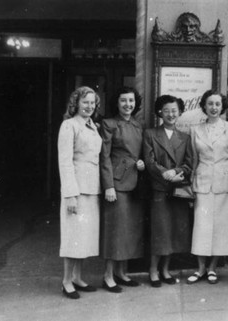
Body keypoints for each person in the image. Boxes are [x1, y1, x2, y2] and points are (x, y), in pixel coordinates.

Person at [186, 90, 228, 285]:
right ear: (204, 106)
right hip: (202, 182)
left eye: (217, 104)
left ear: (222, 106)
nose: (214, 108)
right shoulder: (195, 129)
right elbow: (193, 159)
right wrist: (191, 186)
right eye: (210, 104)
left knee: (221, 227)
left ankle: (212, 268)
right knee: (201, 226)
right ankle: (200, 268)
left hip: (225, 184)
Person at [143, 95, 193, 287]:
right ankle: (153, 270)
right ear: (159, 113)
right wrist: (165, 173)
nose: (171, 114)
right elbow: (149, 161)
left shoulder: (185, 137)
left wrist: (177, 172)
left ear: (180, 112)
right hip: (160, 189)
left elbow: (189, 164)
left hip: (178, 191)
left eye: (174, 111)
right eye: (166, 111)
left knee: (173, 232)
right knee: (160, 231)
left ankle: (166, 269)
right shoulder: (150, 134)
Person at [99, 86, 146, 293]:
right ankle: (108, 275)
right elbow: (104, 157)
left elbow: (139, 152)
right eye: (123, 101)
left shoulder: (138, 125)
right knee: (115, 231)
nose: (128, 105)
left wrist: (142, 163)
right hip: (117, 184)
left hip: (135, 183)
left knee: (128, 231)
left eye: (131, 101)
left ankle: (121, 273)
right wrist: (109, 185)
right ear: (116, 103)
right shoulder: (109, 124)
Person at [58, 86, 102, 299]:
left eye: (92, 103)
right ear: (75, 103)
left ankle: (77, 277)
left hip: (92, 189)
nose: (89, 106)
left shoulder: (93, 126)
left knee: (84, 237)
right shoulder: (69, 125)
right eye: (85, 102)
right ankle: (66, 281)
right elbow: (65, 162)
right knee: (72, 236)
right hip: (76, 190)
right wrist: (70, 195)